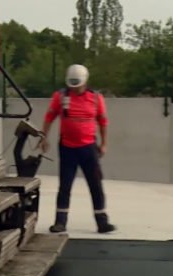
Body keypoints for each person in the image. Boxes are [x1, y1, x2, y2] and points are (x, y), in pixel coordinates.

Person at [39, 64, 116, 234]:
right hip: (67, 148)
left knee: (95, 185)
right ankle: (60, 222)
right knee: (65, 186)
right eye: (72, 85)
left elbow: (103, 122)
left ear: (85, 81)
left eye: (78, 85)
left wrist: (104, 144)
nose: (74, 88)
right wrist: (44, 137)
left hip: (89, 148)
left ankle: (102, 222)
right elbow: (49, 117)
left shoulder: (96, 98)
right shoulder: (60, 97)